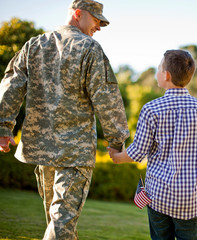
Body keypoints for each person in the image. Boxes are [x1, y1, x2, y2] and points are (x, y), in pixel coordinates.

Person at [0, 0, 129, 239]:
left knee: (58, 221)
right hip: (74, 152)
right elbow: (107, 97)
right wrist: (117, 140)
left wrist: (3, 126)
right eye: (96, 20)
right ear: (78, 14)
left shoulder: (35, 44)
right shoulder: (90, 49)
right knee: (61, 224)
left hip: (42, 150)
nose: (99, 27)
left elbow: (11, 84)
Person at [108, 49, 197, 240]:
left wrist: (117, 157)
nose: (156, 72)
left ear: (167, 75)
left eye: (158, 68)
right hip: (190, 199)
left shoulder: (151, 109)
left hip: (158, 196)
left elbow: (137, 152)